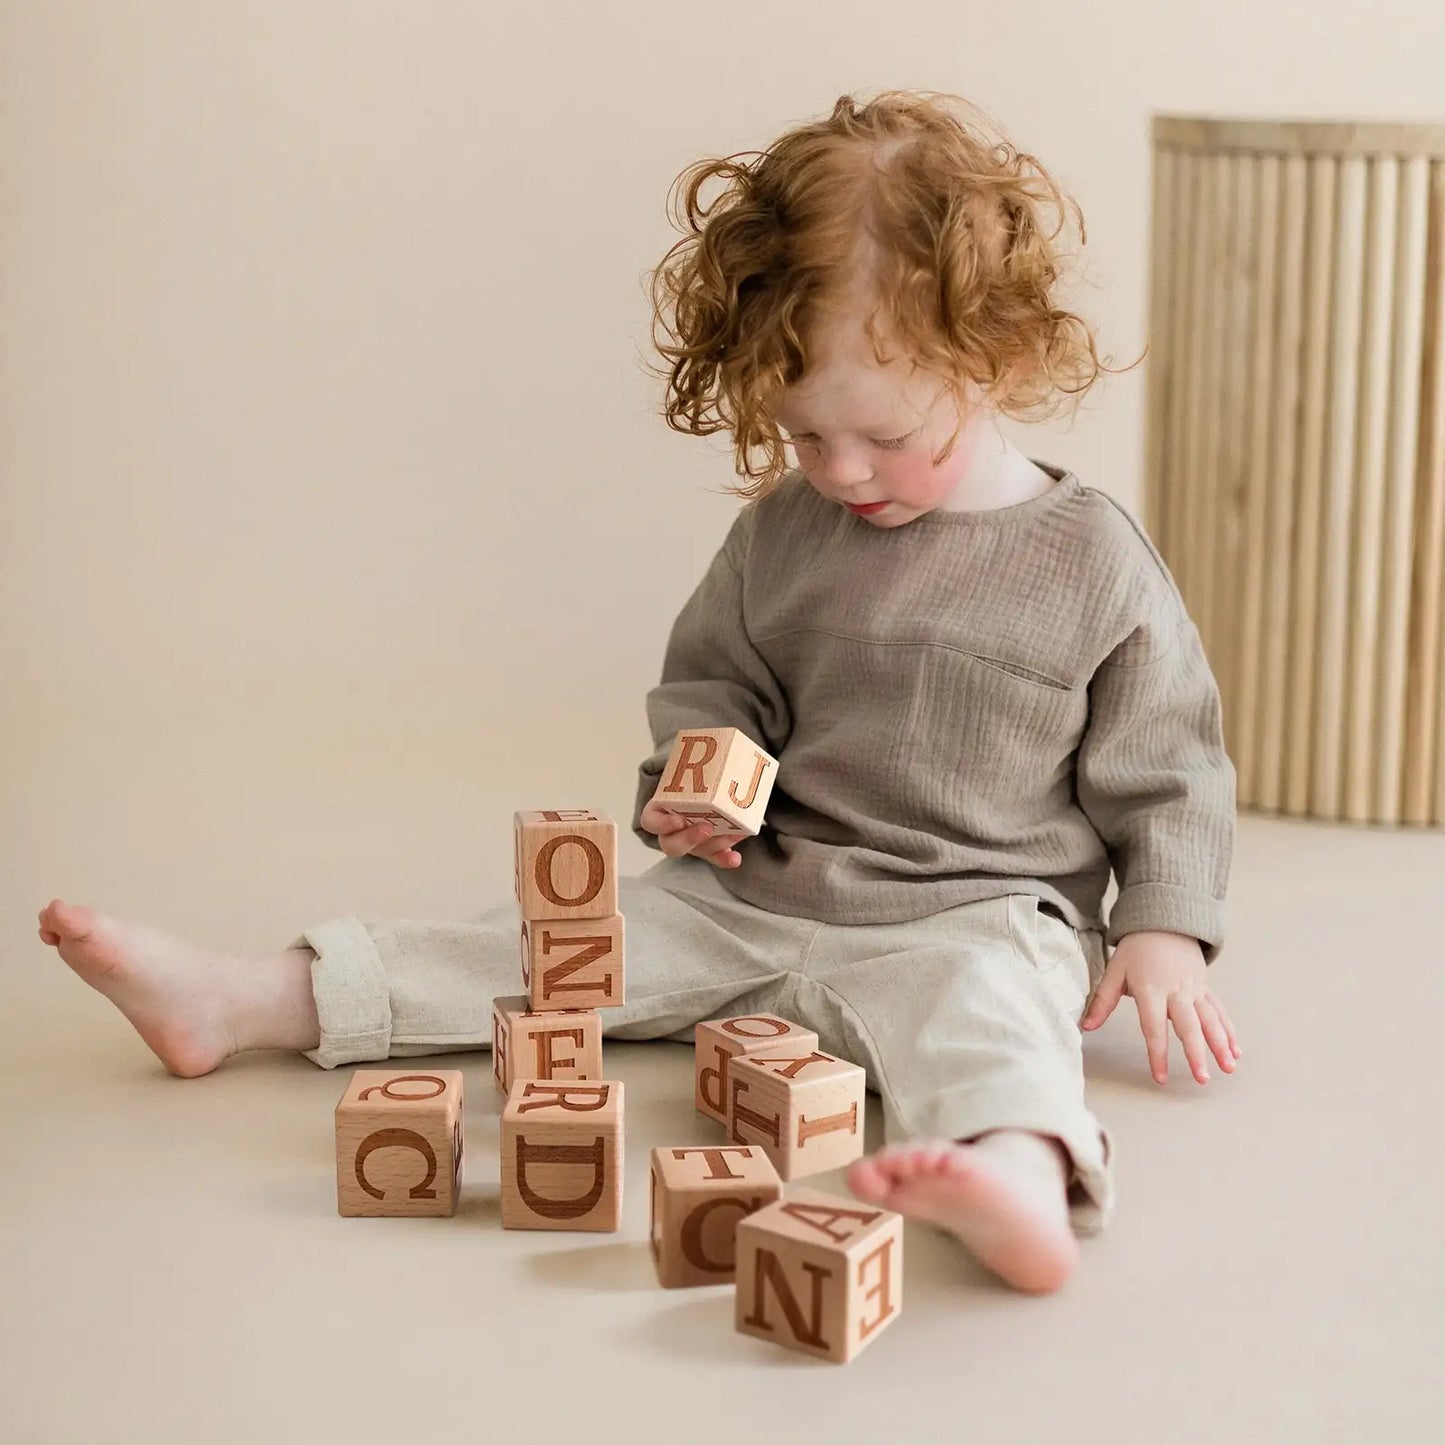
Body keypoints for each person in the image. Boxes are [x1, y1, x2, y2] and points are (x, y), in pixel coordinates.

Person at [38, 89, 1241, 1296]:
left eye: (875, 433)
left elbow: (1171, 761)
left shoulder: (1092, 560)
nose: (838, 469)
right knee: (536, 947)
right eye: (801, 435)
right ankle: (248, 997)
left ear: (996, 358)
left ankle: (1015, 1176)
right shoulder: (787, 534)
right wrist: (695, 787)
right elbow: (715, 685)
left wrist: (1161, 930)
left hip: (968, 910)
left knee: (997, 1014)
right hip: (753, 891)